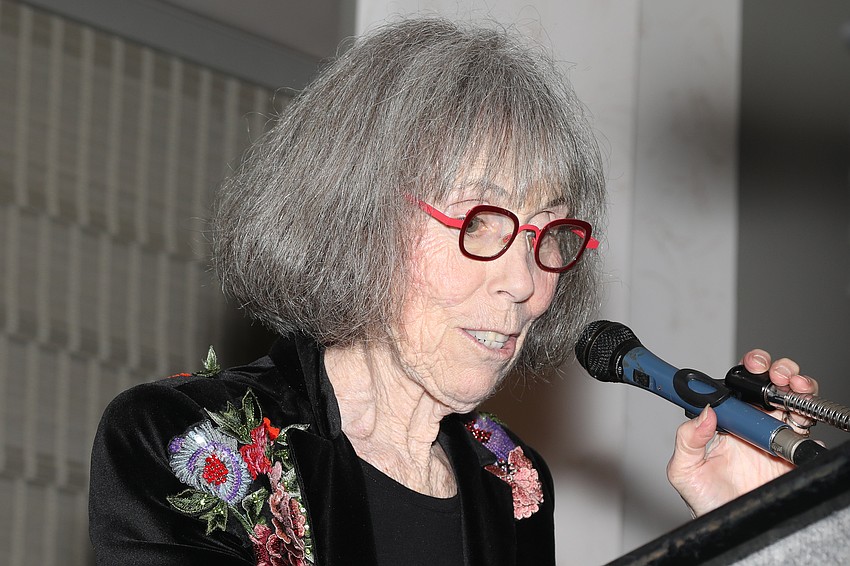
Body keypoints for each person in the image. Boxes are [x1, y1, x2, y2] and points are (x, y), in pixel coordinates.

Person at [88, 17, 819, 565]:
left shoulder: (511, 478)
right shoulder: (188, 442)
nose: (526, 283)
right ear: (358, 218)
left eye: (548, 235)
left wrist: (759, 528)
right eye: (480, 220)